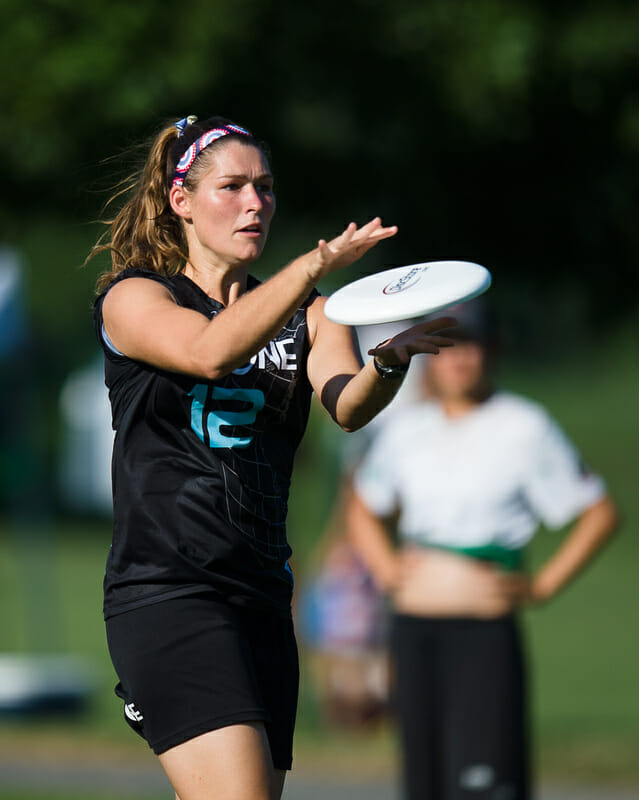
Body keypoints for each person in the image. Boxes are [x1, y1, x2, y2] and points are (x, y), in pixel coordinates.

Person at [87, 114, 456, 800]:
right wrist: (312, 264)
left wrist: (388, 361)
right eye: (232, 186)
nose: (255, 202)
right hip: (168, 592)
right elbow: (206, 351)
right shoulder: (136, 297)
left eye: (264, 187)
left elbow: (346, 406)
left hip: (261, 597)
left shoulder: (309, 314)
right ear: (181, 202)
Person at [348, 301, 620, 800]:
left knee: (482, 784)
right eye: (447, 350)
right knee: (423, 783)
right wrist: (387, 569)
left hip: (482, 635)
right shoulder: (406, 428)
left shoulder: (523, 426)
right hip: (414, 634)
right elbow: (363, 506)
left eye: (471, 348)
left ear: (493, 353)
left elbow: (598, 513)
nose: (459, 361)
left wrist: (541, 585)